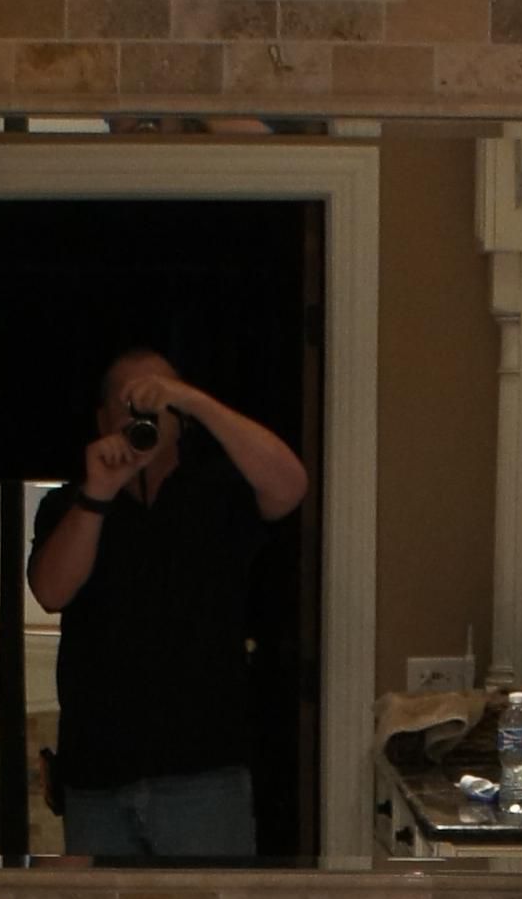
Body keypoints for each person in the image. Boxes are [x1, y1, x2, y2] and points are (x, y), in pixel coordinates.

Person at [26, 342, 310, 859]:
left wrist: (193, 399)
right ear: (102, 417)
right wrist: (97, 494)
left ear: (181, 419)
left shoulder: (221, 492)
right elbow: (50, 591)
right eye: (128, 402)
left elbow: (291, 486)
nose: (143, 414)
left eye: (157, 402)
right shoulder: (69, 503)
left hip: (205, 777)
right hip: (96, 780)